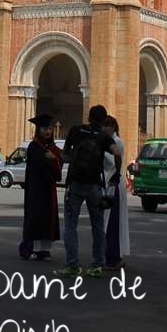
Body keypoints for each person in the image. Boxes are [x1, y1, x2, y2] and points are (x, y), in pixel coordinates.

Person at [58, 104, 122, 278]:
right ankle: (97, 265)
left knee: (70, 226)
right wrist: (117, 172)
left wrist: (71, 160)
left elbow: (64, 155)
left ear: (88, 117)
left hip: (75, 184)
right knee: (98, 227)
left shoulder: (75, 131)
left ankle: (72, 265)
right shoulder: (103, 136)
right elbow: (117, 153)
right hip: (94, 185)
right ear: (103, 120)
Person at [19, 113, 64, 261]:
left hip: (49, 189)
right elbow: (37, 164)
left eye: (50, 128)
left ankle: (45, 250)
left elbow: (60, 163)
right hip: (36, 188)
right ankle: (30, 248)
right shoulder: (33, 146)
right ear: (38, 130)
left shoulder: (54, 148)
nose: (47, 132)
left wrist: (54, 159)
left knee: (48, 218)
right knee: (35, 216)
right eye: (44, 129)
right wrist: (49, 159)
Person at [102, 116, 130, 271]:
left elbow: (113, 161)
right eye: (103, 125)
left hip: (113, 185)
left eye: (108, 125)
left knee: (112, 223)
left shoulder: (116, 142)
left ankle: (113, 257)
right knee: (103, 223)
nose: (105, 128)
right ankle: (105, 255)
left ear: (114, 127)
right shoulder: (103, 140)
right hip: (104, 184)